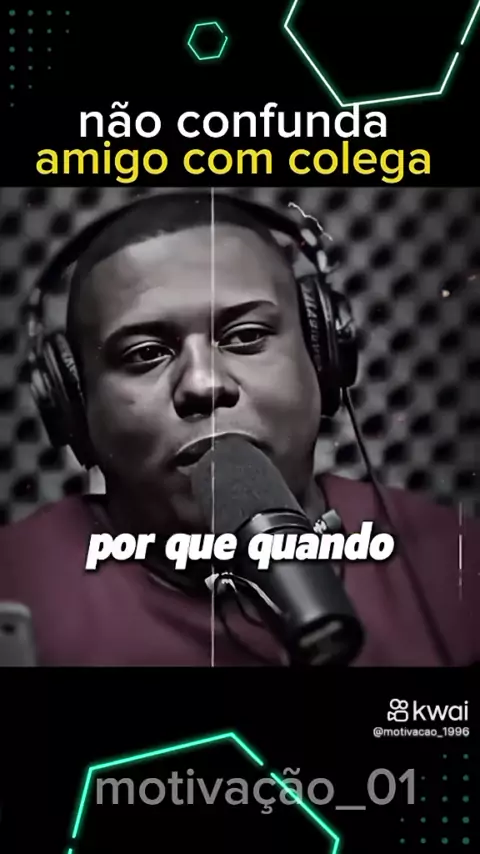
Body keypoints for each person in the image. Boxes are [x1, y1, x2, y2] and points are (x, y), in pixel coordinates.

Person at [0, 191, 478, 667]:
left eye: (246, 336)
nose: (203, 384)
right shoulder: (18, 585)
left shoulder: (455, 567)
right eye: (145, 353)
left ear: (322, 357)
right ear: (74, 404)